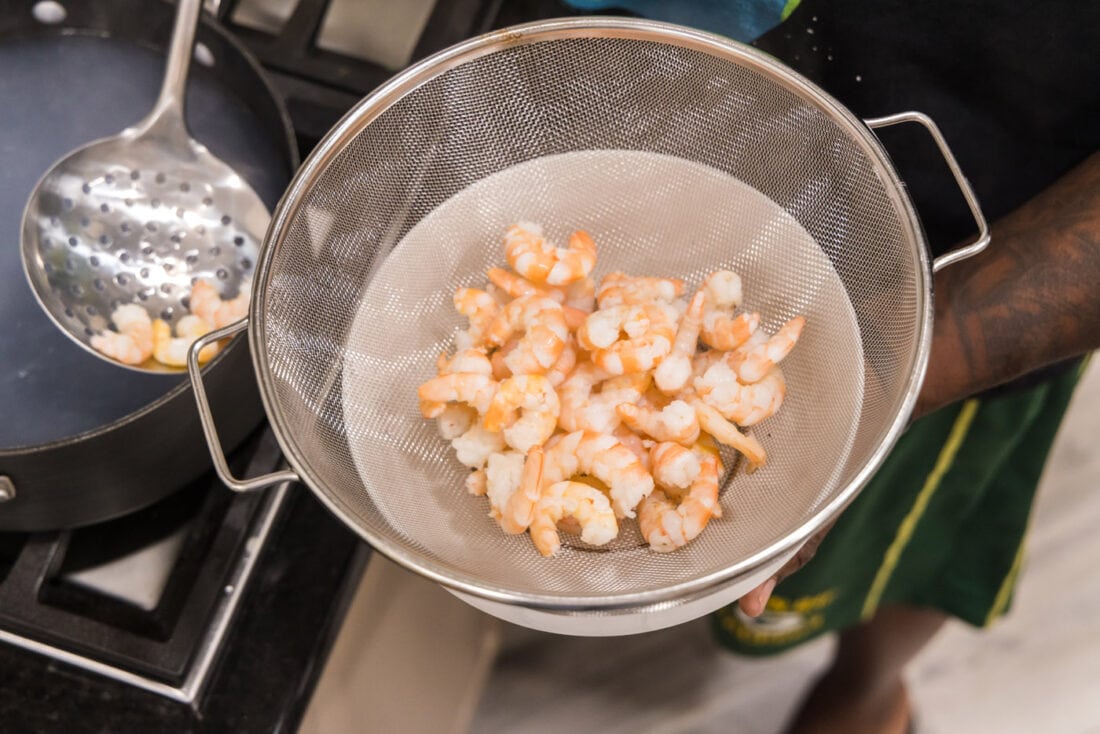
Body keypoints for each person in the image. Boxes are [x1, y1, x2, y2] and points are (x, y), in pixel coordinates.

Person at [562, 1, 1100, 731]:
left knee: (903, 550)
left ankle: (869, 695)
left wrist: (895, 370)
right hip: (719, 122)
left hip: (981, 246)